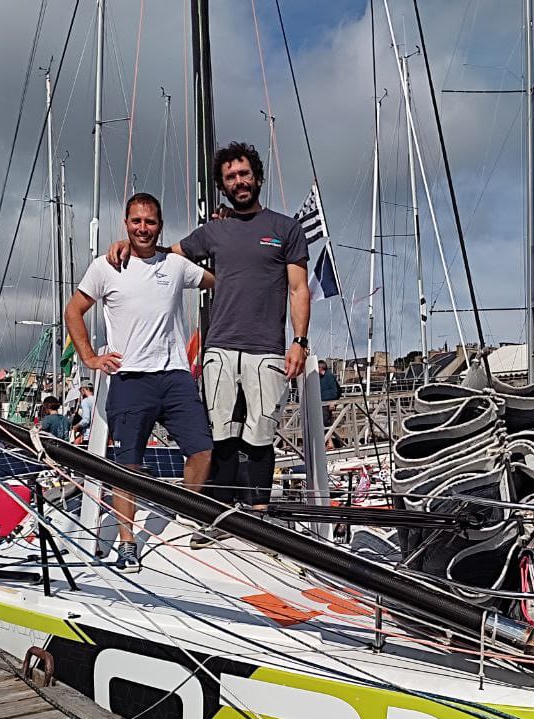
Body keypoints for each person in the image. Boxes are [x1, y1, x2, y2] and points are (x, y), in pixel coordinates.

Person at [107, 142, 309, 528]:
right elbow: (164, 252)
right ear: (223, 185)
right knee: (222, 434)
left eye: (244, 174)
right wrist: (128, 244)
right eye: (231, 177)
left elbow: (299, 289)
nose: (239, 181)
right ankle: (221, 518)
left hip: (266, 346)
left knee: (261, 431)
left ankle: (260, 516)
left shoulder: (286, 229)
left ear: (257, 177)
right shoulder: (214, 231)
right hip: (218, 346)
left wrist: (299, 341)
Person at [65, 191, 217, 568]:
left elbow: (215, 280)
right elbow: (74, 310)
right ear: (126, 223)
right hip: (130, 378)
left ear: (160, 226)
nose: (143, 228)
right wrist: (89, 357)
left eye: (150, 222)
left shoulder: (177, 265)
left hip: (175, 375)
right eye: (136, 221)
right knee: (127, 464)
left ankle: (186, 512)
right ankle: (128, 539)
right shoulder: (105, 267)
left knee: (202, 449)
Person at [318, 359, 341, 430]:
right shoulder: (319, 377)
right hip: (321, 403)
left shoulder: (330, 376)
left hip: (327, 403)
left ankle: (327, 439)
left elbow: (334, 391)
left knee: (325, 423)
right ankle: (328, 440)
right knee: (323, 423)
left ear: (320, 368)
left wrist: (332, 402)